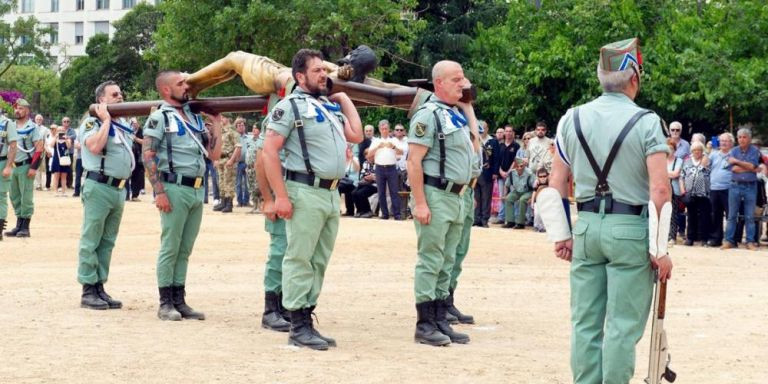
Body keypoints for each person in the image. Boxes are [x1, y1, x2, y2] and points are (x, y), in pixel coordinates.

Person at [547, 38, 672, 383]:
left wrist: (562, 234)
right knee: (621, 325)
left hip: (586, 226)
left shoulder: (570, 119)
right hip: (630, 228)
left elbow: (556, 183)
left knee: (584, 322)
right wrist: (660, 250)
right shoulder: (647, 122)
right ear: (635, 77)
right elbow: (660, 189)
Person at [262, 48, 362, 350]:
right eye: (317, 70)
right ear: (300, 76)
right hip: (303, 190)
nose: (324, 74)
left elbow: (356, 135)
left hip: (330, 192)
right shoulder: (289, 106)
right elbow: (269, 151)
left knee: (319, 260)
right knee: (299, 257)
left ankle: (307, 315)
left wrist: (343, 98)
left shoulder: (328, 106)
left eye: (324, 70)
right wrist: (280, 196)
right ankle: (298, 325)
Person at [142, 70, 223, 321]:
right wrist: (159, 192)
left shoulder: (194, 117)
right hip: (174, 187)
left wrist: (217, 124)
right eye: (180, 83)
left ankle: (180, 299)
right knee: (171, 246)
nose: (186, 86)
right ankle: (165, 301)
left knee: (185, 247)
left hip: (196, 188)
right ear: (166, 90)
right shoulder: (159, 118)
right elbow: (148, 155)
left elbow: (214, 155)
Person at [407, 60, 477, 347]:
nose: (464, 84)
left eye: (463, 79)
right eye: (456, 79)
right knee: (431, 259)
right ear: (438, 84)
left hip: (457, 196)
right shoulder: (428, 115)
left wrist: (467, 106)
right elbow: (413, 161)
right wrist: (420, 203)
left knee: (447, 261)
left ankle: (439, 319)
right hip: (436, 194)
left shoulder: (454, 114)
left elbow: (474, 147)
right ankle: (425, 323)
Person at [76, 81, 135, 310]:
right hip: (98, 186)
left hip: (118, 189)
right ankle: (88, 288)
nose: (120, 96)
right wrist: (106, 120)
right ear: (102, 100)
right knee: (91, 238)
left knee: (107, 241)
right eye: (114, 94)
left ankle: (100, 285)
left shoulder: (123, 125)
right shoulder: (93, 122)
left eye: (121, 93)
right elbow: (94, 147)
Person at [4, 99, 43, 238]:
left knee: (26, 196)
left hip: (26, 165)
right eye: (16, 108)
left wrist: (33, 167)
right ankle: (19, 224)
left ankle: (25, 227)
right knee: (14, 196)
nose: (17, 111)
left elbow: (39, 148)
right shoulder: (11, 126)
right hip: (13, 166)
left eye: (20, 108)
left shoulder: (32, 127)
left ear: (27, 111)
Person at [722, 128, 761, 250]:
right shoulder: (733, 151)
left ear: (749, 139)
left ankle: (750, 241)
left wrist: (738, 162)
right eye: (739, 137)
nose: (742, 139)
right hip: (735, 185)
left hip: (750, 186)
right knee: (732, 215)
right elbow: (733, 169)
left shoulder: (755, 151)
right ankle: (729, 240)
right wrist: (750, 168)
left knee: (750, 216)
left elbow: (753, 165)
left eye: (744, 137)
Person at [367, 119, 403, 220]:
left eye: (386, 128)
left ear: (389, 129)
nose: (384, 130)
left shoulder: (394, 140)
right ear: (379, 129)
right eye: (382, 129)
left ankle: (397, 214)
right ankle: (384, 214)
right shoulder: (376, 141)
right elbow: (369, 154)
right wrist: (377, 147)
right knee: (381, 192)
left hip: (391, 168)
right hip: (379, 168)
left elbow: (401, 152)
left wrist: (393, 147)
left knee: (394, 191)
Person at [679, 142, 711, 246]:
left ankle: (704, 239)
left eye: (699, 150)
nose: (697, 152)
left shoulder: (706, 160)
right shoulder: (687, 162)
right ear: (691, 151)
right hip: (690, 193)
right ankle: (690, 238)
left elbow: (709, 173)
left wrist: (704, 158)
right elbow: (682, 176)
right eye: (694, 150)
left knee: (704, 217)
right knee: (691, 216)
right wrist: (683, 190)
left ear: (702, 151)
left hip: (703, 193)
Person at [707, 132, 734, 247]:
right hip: (714, 188)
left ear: (731, 143)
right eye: (721, 140)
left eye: (725, 141)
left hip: (729, 188)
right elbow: (704, 165)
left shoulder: (734, 154)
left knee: (730, 215)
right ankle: (716, 239)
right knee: (715, 214)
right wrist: (707, 151)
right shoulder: (713, 154)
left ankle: (731, 239)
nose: (723, 143)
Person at [474, 121, 497, 227]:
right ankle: (476, 219)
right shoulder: (474, 140)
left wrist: (495, 172)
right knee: (476, 196)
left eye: (483, 127)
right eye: (479, 127)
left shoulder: (492, 141)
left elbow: (496, 158)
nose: (481, 130)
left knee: (486, 197)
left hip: (487, 173)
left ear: (487, 129)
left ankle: (484, 220)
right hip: (475, 172)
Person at [214, 117, 239, 213]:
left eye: (223, 117)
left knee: (229, 182)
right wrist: (215, 159)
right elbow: (216, 145)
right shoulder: (220, 131)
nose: (221, 119)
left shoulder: (232, 131)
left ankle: (229, 204)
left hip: (228, 159)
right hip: (220, 158)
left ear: (228, 118)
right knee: (221, 181)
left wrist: (232, 160)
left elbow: (238, 146)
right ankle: (223, 201)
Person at [0, 112, 18, 240]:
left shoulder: (7, 123)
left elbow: (13, 146)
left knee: (0, 195)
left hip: (1, 162)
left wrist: (8, 166)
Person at [503, 158, 535, 229]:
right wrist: (505, 195)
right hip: (517, 191)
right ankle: (510, 221)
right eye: (518, 166)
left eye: (521, 166)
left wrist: (532, 198)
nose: (519, 168)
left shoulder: (529, 173)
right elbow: (506, 185)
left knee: (522, 200)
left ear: (524, 166)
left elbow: (535, 187)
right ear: (515, 166)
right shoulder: (512, 173)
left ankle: (521, 223)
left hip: (528, 191)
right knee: (508, 198)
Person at [48, 124, 72, 197]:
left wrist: (66, 139)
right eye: (59, 130)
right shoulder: (55, 139)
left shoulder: (67, 139)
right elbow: (51, 145)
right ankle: (55, 191)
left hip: (64, 159)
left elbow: (69, 147)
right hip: (56, 159)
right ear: (56, 131)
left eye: (62, 130)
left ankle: (63, 192)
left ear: (65, 131)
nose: (61, 131)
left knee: (64, 176)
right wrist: (55, 137)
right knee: (56, 176)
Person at [667, 138, 683, 243]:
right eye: (668, 149)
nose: (670, 151)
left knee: (673, 214)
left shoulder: (679, 160)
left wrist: (663, 172)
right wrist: (670, 173)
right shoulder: (661, 160)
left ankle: (672, 237)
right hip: (662, 189)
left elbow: (676, 174)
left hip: (674, 190)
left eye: (672, 149)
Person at [339, 145, 360, 216]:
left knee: (339, 187)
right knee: (336, 186)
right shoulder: (343, 161)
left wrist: (352, 158)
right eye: (345, 151)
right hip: (344, 182)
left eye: (348, 151)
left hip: (353, 182)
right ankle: (347, 210)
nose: (347, 152)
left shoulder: (355, 159)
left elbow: (357, 169)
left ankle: (346, 210)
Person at [234, 117, 251, 207]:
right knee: (238, 183)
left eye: (242, 125)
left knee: (247, 183)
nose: (241, 127)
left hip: (247, 163)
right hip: (238, 163)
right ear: (236, 127)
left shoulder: (249, 138)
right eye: (239, 125)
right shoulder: (234, 138)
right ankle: (239, 201)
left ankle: (246, 201)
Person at [127, 118, 145, 201]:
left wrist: (136, 139)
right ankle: (126, 195)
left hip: (138, 158)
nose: (133, 124)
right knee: (126, 176)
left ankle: (134, 195)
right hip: (129, 156)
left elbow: (146, 142)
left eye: (134, 123)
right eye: (132, 123)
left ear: (138, 123)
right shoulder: (127, 130)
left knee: (137, 176)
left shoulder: (143, 131)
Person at [33, 114, 50, 191]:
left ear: (42, 120)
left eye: (40, 119)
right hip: (32, 150)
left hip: (41, 150)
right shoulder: (32, 127)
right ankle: (35, 184)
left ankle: (41, 185)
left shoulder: (45, 129)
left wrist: (47, 150)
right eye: (37, 119)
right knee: (32, 167)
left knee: (40, 168)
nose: (39, 120)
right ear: (35, 120)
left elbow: (47, 140)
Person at [531, 167, 550, 232]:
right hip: (538, 201)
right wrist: (532, 202)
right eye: (540, 176)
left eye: (544, 176)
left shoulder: (549, 182)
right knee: (537, 214)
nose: (542, 178)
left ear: (547, 175)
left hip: (546, 201)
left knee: (544, 214)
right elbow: (534, 192)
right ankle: (536, 226)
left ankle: (543, 227)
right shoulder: (537, 183)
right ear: (538, 177)